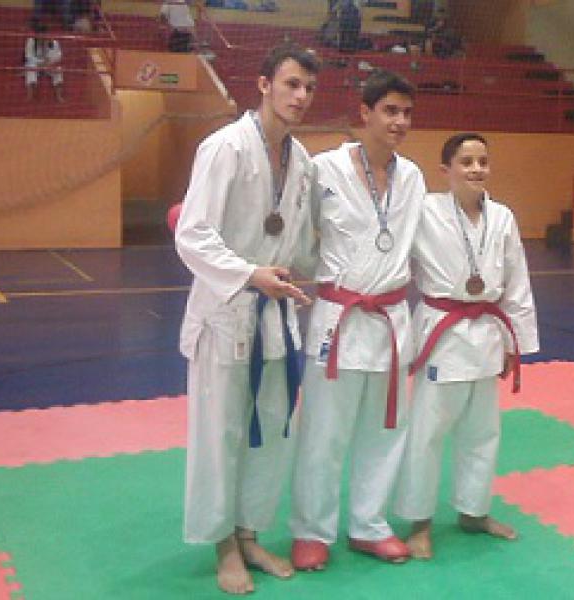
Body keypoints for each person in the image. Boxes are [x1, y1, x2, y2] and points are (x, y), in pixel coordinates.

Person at [175, 43, 320, 595]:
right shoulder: (224, 148)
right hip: (226, 313)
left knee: (272, 431)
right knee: (222, 435)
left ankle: (250, 532)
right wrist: (249, 273)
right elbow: (193, 235)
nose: (300, 96)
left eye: (308, 88)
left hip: (275, 315)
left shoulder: (302, 162)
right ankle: (223, 544)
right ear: (263, 84)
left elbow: (298, 242)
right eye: (291, 84)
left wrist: (328, 275)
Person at [289, 70, 426, 570]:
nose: (399, 122)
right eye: (390, 111)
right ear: (364, 113)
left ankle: (370, 525)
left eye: (406, 113)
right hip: (339, 320)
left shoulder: (413, 177)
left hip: (391, 319)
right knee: (323, 434)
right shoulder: (323, 168)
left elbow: (421, 245)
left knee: (385, 431)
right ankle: (312, 530)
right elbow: (294, 230)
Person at [393, 133, 539, 559]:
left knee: (482, 431)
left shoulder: (503, 217)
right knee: (427, 433)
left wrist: (515, 342)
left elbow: (517, 280)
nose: (477, 169)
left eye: (483, 161)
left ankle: (473, 511)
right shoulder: (425, 211)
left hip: (487, 331)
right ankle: (419, 521)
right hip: (444, 332)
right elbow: (396, 256)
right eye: (466, 161)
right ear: (446, 170)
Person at [24, 20, 64, 103]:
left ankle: (59, 95)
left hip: (48, 65)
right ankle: (30, 95)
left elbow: (58, 56)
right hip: (36, 65)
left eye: (43, 34)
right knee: (30, 66)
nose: (41, 37)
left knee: (58, 69)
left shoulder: (53, 43)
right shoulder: (31, 41)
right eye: (39, 35)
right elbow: (28, 56)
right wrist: (39, 63)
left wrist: (49, 61)